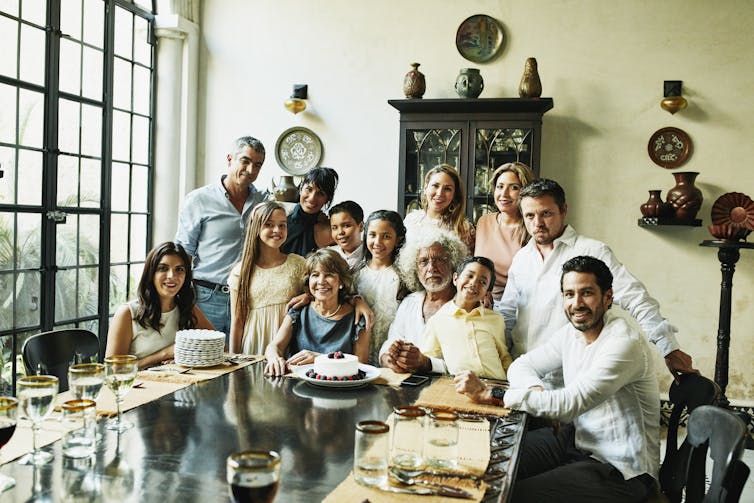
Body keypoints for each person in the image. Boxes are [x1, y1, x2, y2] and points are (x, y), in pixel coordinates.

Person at [456, 256, 660, 503]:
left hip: (621, 469)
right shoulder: (571, 334)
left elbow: (567, 405)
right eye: (569, 294)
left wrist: (493, 394)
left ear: (608, 297)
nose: (577, 303)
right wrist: (536, 390)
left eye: (587, 293)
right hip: (576, 440)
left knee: (508, 494)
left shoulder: (624, 343)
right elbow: (522, 365)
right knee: (480, 462)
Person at [496, 178, 696, 378]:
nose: (537, 223)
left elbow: (635, 297)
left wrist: (669, 348)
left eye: (546, 213)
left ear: (563, 210)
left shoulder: (592, 250)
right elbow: (508, 313)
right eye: (529, 216)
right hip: (523, 374)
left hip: (573, 378)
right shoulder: (522, 258)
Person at [175, 136, 272, 339]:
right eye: (245, 161)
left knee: (242, 362)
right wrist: (181, 297)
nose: (251, 170)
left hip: (248, 297)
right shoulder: (199, 200)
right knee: (204, 362)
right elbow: (184, 252)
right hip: (206, 298)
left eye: (257, 165)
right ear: (230, 159)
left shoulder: (263, 200)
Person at [106, 242, 214, 369]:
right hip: (139, 387)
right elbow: (113, 370)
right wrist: (163, 354)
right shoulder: (128, 313)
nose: (172, 276)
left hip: (179, 385)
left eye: (179, 269)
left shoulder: (188, 309)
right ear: (151, 274)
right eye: (163, 268)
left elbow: (220, 346)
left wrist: (184, 358)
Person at [264, 249, 369, 376]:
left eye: (329, 274)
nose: (321, 281)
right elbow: (274, 346)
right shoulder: (299, 310)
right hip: (297, 386)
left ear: (341, 282)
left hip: (339, 389)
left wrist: (321, 359)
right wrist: (274, 358)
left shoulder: (358, 317)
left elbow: (361, 365)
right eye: (315, 275)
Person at [379, 228, 467, 374]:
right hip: (406, 386)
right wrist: (388, 357)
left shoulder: (466, 306)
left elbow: (469, 363)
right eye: (423, 262)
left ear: (453, 264)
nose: (431, 268)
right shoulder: (410, 302)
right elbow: (391, 340)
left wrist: (427, 363)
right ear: (415, 269)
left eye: (439, 260)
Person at [228, 201, 306, 355]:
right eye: (269, 224)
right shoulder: (241, 271)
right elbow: (237, 321)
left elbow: (317, 300)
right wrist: (233, 360)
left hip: (288, 343)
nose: (277, 230)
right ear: (256, 227)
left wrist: (307, 296)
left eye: (282, 225)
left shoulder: (298, 264)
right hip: (254, 344)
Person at [420, 256, 512, 379]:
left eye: (483, 282)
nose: (474, 283)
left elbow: (504, 357)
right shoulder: (438, 320)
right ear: (455, 279)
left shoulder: (495, 319)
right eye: (469, 276)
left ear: (487, 292)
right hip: (462, 390)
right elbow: (426, 360)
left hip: (497, 386)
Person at [475, 162, 536, 302]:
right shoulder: (484, 222)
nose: (504, 194)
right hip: (481, 301)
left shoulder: (533, 228)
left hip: (519, 305)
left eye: (514, 187)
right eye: (500, 187)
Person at [354, 210, 408, 364]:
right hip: (359, 353)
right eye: (372, 235)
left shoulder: (404, 277)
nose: (377, 242)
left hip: (392, 353)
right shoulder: (356, 274)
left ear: (397, 239)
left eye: (386, 236)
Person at [403, 164, 475, 252]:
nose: (440, 193)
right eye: (435, 186)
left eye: (447, 189)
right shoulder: (411, 220)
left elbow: (471, 264)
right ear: (425, 188)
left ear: (455, 195)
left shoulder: (464, 228)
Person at [281, 167, 339, 256]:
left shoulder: (330, 229)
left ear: (327, 199)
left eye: (321, 193)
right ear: (301, 189)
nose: (312, 198)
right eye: (309, 189)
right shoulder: (282, 217)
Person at [328, 200, 365, 269]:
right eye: (334, 228)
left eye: (346, 226)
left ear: (361, 226)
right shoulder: (329, 255)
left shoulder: (372, 254)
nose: (340, 232)